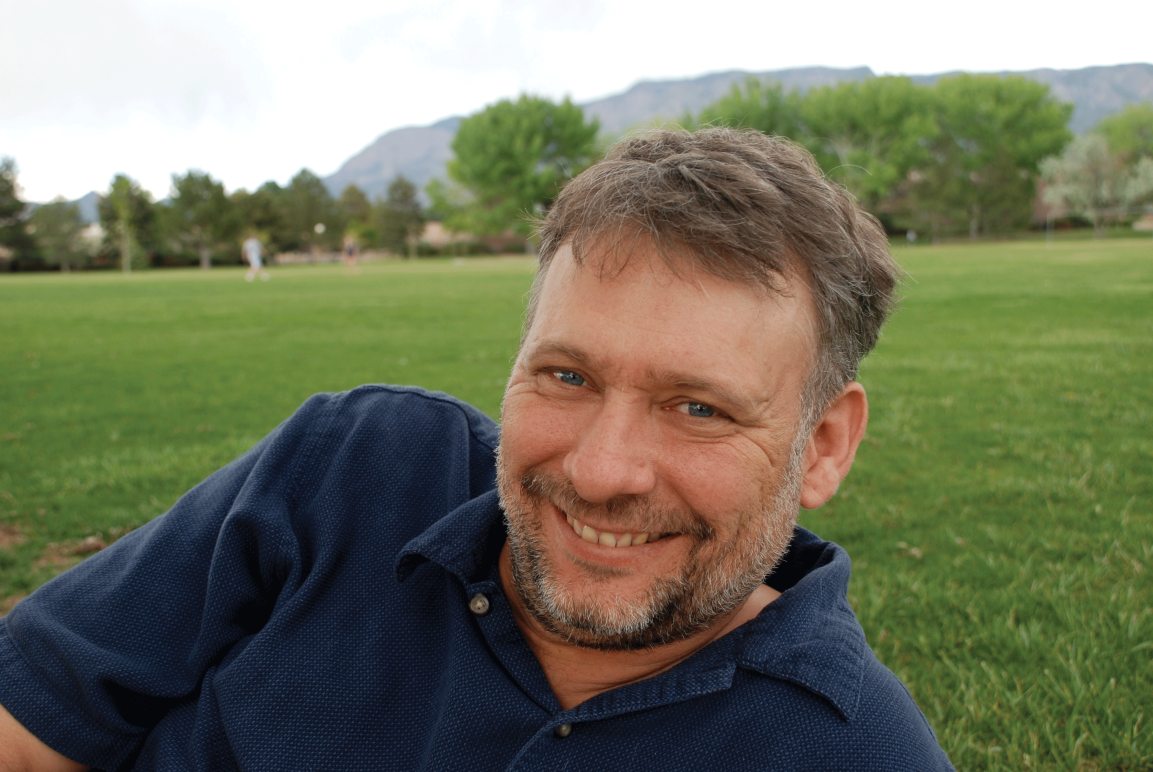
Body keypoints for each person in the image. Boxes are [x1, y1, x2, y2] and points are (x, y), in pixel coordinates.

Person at [0, 129, 954, 771]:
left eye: (698, 408)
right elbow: (31, 724)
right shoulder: (354, 468)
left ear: (822, 446)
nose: (597, 472)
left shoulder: (854, 750)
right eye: (568, 377)